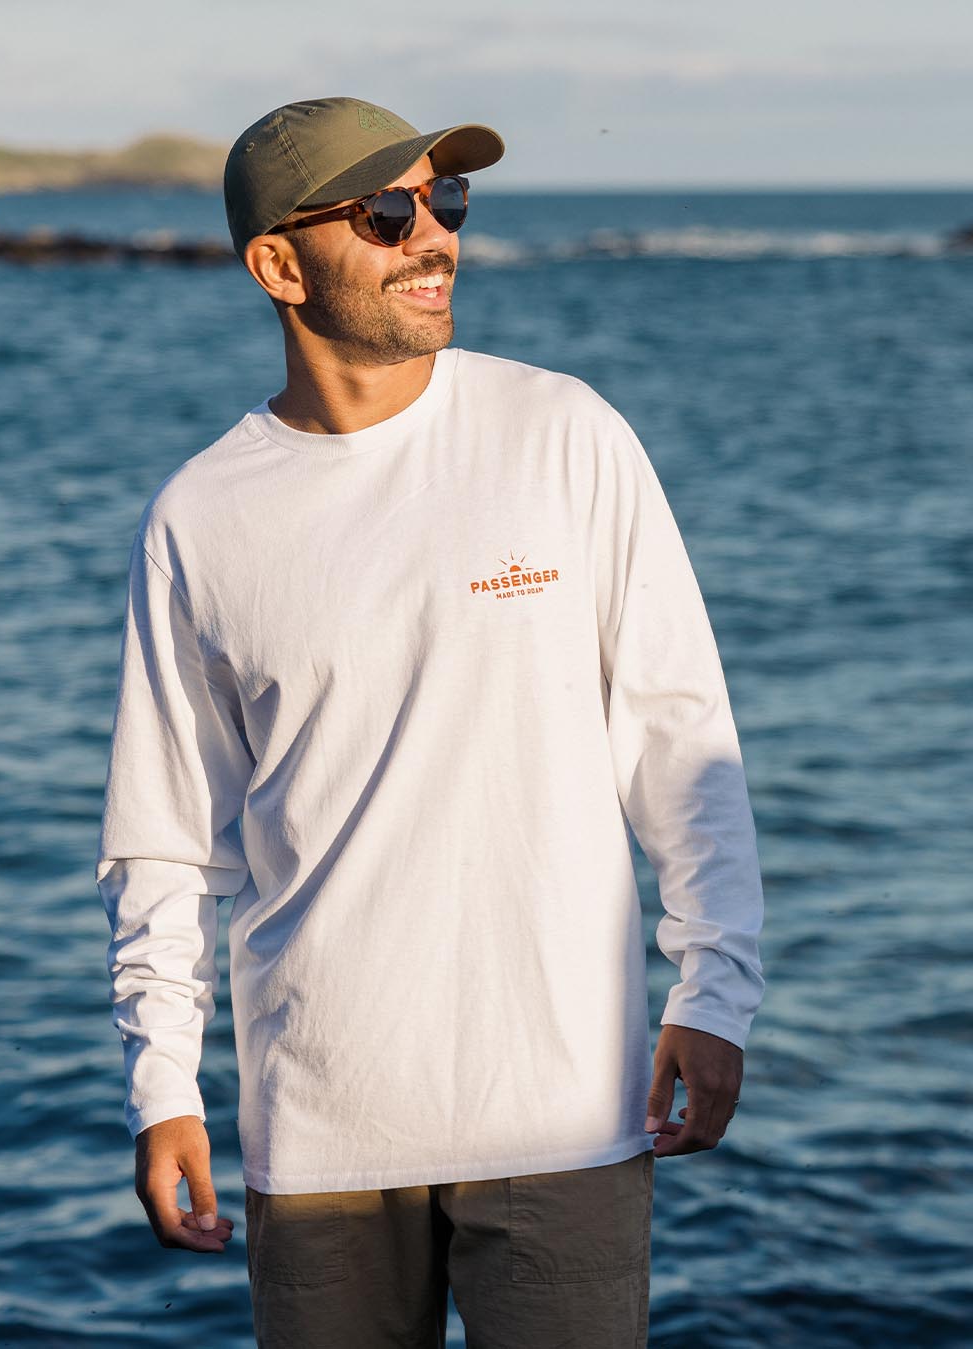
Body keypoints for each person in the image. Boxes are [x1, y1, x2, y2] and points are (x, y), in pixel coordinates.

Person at [96, 96, 765, 1348]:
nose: (435, 236)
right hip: (320, 1135)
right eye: (387, 212)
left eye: (445, 199)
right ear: (279, 264)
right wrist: (162, 1083)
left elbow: (681, 735)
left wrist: (715, 987)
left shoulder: (564, 433)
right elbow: (167, 838)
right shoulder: (200, 515)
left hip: (565, 1112)